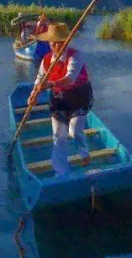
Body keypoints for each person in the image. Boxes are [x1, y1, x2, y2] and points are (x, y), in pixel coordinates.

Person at [27, 23, 94, 177]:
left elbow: (69, 78)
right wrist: (33, 95)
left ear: (67, 41)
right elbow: (39, 79)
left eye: (60, 42)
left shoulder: (76, 56)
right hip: (59, 99)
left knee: (75, 130)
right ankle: (61, 171)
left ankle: (84, 153)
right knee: (59, 136)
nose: (56, 45)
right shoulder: (46, 60)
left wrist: (49, 84)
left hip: (79, 97)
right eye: (53, 42)